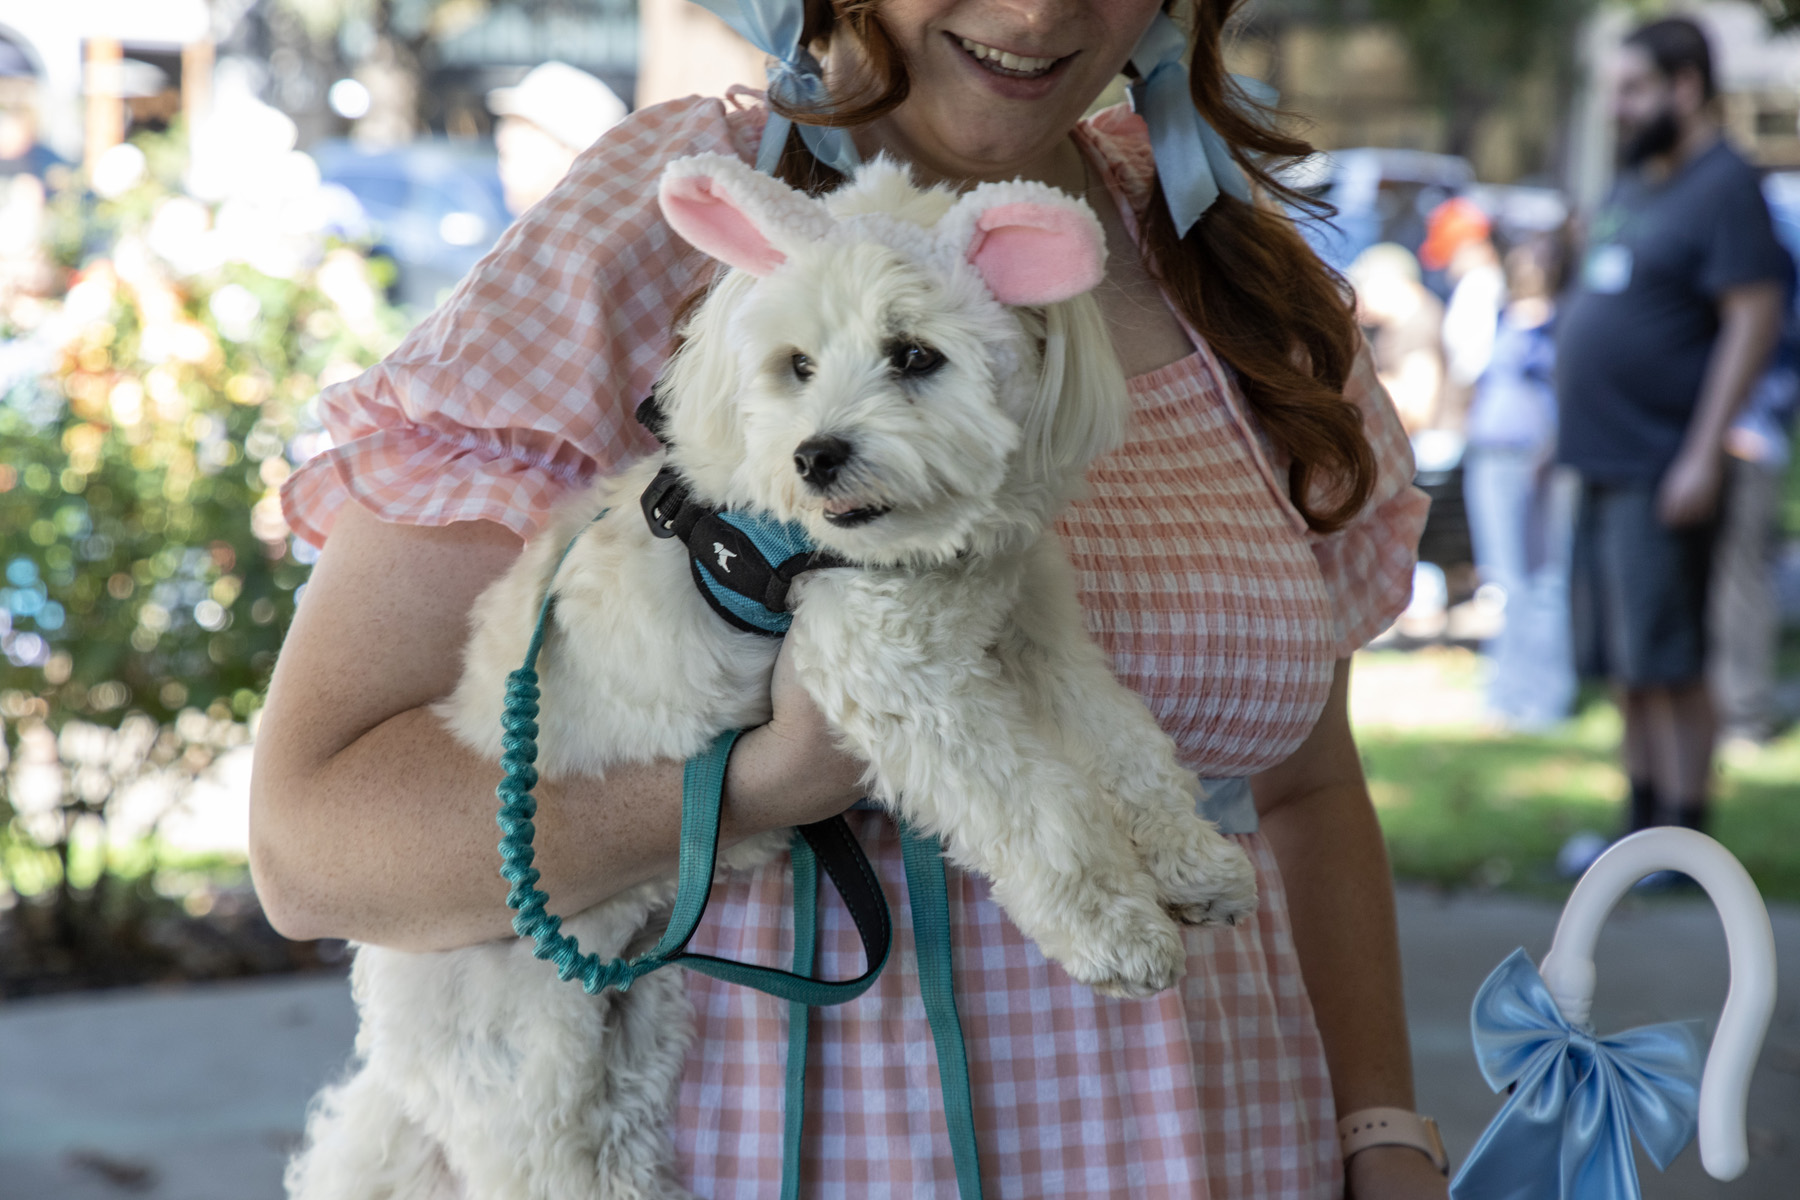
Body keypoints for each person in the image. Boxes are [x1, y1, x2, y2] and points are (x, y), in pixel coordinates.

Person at [248, 2, 1440, 1196]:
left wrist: (1381, 1131)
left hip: (1229, 1145)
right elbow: (314, 850)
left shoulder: (1220, 259)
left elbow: (1306, 787)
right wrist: (759, 786)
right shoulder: (667, 222)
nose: (1035, 9)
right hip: (775, 1154)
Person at [1556, 17, 1788, 836]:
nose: (1617, 107)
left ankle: (1685, 834)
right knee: (1626, 663)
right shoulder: (1637, 180)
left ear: (1685, 86)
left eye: (1633, 89)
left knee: (1669, 658)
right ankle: (1638, 827)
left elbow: (1753, 317)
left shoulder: (1724, 183)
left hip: (1664, 462)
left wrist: (1703, 453)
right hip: (1601, 457)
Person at [1464, 233, 1578, 730]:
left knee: (1544, 579)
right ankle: (1506, 692)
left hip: (1535, 461)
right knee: (1506, 579)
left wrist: (1550, 450)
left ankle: (1545, 697)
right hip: (1491, 457)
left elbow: (1567, 394)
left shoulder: (1559, 326)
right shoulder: (1501, 315)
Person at [486, 60, 629, 215]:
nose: (503, 138)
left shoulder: (584, 235)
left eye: (526, 127)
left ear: (574, 154)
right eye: (508, 124)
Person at [1347, 241, 1446, 434]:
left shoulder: (1418, 324)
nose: (1358, 297)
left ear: (1390, 283)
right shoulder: (1398, 325)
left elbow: (1419, 408)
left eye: (1363, 285)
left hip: (1430, 448)